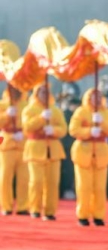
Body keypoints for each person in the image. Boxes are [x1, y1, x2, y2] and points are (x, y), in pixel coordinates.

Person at [68, 88, 108, 226]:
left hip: (101, 152)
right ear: (88, 98)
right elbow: (73, 129)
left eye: (99, 96)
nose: (96, 99)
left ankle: (98, 215)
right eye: (93, 96)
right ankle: (83, 215)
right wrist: (89, 131)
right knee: (84, 187)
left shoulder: (107, 113)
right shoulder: (81, 112)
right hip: (83, 152)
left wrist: (101, 123)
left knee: (100, 187)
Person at [21, 84, 68, 221]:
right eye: (41, 92)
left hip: (53, 149)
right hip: (36, 148)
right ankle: (35, 208)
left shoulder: (55, 110)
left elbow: (63, 128)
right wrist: (41, 118)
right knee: (36, 181)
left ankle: (50, 211)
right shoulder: (29, 109)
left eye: (46, 91)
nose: (44, 94)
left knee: (53, 182)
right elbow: (27, 127)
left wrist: (53, 130)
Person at [0, 85, 30, 215]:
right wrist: (6, 115)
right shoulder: (2, 105)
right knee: (5, 177)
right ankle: (6, 206)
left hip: (23, 143)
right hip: (7, 144)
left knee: (24, 178)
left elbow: (30, 123)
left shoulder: (27, 105)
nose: (15, 90)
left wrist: (24, 131)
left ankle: (23, 206)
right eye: (13, 88)